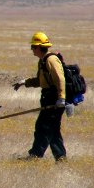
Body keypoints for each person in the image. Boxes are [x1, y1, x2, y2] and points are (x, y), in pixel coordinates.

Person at [13, 32, 67, 161]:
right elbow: (40, 81)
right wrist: (24, 82)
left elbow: (60, 79)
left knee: (43, 127)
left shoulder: (51, 59)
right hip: (48, 97)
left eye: (33, 47)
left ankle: (35, 155)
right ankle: (61, 158)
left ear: (38, 47)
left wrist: (61, 98)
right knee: (52, 129)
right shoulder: (42, 61)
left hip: (55, 98)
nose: (32, 49)